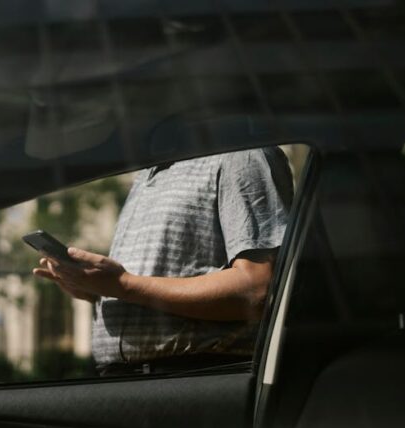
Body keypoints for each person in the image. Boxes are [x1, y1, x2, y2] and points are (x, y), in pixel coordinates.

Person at [33, 149, 293, 374]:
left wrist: (123, 285)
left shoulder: (242, 156)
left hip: (196, 376)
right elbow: (144, 286)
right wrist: (97, 289)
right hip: (136, 381)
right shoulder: (147, 174)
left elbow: (257, 289)